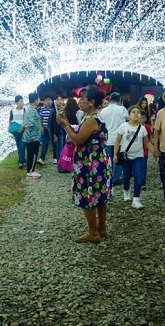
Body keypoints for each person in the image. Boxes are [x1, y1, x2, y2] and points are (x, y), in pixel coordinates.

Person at [56, 87, 112, 243]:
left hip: (89, 164)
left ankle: (93, 232)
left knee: (87, 195)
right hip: (98, 161)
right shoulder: (95, 117)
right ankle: (101, 228)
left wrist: (64, 125)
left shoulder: (91, 120)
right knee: (99, 195)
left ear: (92, 102)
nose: (80, 102)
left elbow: (78, 139)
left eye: (83, 100)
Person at [113, 106, 152, 209]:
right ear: (129, 115)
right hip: (126, 157)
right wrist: (115, 154)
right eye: (133, 112)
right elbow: (117, 141)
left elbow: (146, 142)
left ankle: (136, 199)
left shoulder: (142, 128)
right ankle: (126, 190)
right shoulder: (123, 126)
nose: (136, 114)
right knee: (126, 176)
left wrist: (154, 151)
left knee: (138, 177)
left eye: (138, 112)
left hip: (138, 156)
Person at [99, 92, 128, 185]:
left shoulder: (103, 111)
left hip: (107, 138)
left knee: (110, 159)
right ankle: (115, 178)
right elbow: (128, 119)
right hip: (119, 138)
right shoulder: (122, 109)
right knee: (118, 159)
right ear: (119, 100)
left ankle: (109, 177)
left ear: (110, 99)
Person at [21, 93, 42, 179]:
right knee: (33, 154)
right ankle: (31, 171)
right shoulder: (31, 110)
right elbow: (30, 123)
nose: (39, 101)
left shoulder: (31, 109)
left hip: (32, 136)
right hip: (32, 137)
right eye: (38, 99)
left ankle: (30, 170)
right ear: (35, 100)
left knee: (31, 154)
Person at [9, 95, 27, 168]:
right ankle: (23, 160)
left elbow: (26, 120)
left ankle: (20, 162)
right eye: (20, 101)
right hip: (16, 131)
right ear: (16, 102)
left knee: (22, 146)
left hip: (23, 130)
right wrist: (11, 128)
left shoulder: (24, 110)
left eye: (22, 101)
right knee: (19, 146)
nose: (22, 103)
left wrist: (22, 128)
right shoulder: (12, 111)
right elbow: (10, 120)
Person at [37, 96, 53, 165]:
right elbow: (41, 118)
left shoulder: (53, 109)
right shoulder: (42, 109)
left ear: (52, 101)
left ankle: (56, 158)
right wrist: (41, 127)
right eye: (46, 100)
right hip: (45, 128)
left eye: (49, 100)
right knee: (45, 143)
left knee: (55, 144)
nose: (48, 101)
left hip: (52, 129)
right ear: (43, 102)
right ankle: (42, 158)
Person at [50, 96, 65, 164]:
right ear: (55, 101)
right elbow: (52, 123)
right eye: (58, 100)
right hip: (56, 130)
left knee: (62, 145)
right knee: (57, 145)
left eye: (60, 99)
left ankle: (61, 158)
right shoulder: (53, 110)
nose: (59, 101)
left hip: (63, 130)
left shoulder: (63, 110)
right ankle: (56, 158)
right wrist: (54, 134)